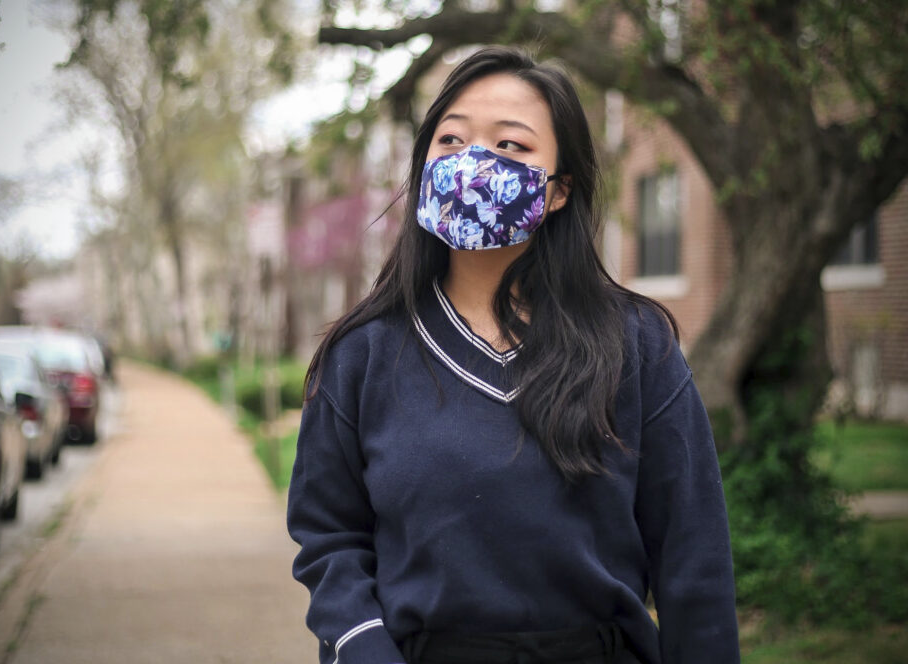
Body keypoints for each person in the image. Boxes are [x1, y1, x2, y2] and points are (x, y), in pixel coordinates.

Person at [287, 46, 740, 664]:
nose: (473, 162)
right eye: (450, 140)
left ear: (558, 190)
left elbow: (694, 556)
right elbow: (329, 539)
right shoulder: (361, 355)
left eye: (512, 147)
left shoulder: (636, 345)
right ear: (422, 168)